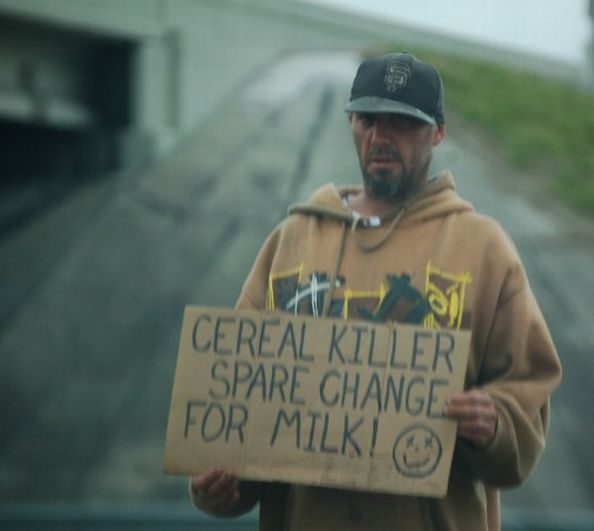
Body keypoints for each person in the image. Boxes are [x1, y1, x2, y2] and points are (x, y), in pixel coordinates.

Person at [189, 51, 562, 531]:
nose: (380, 137)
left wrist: (495, 424)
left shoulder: (484, 249)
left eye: (402, 122)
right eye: (368, 119)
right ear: (351, 123)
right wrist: (221, 486)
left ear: (437, 132)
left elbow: (527, 400)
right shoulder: (292, 242)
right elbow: (239, 406)